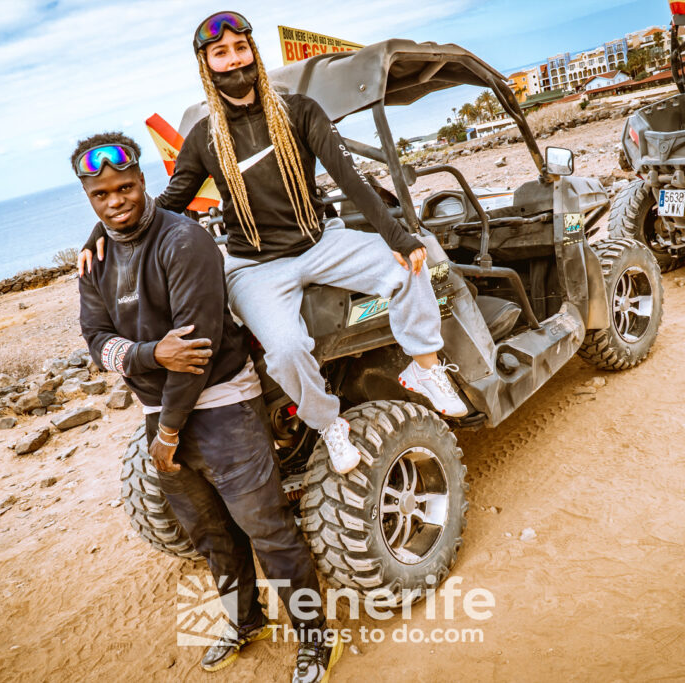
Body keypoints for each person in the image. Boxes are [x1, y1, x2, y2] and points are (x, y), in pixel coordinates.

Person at [80, 10, 468, 476]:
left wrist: (398, 236)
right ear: (208, 65)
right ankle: (329, 424)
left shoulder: (300, 111)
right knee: (285, 350)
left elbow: (351, 178)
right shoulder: (205, 138)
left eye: (240, 48)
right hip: (253, 266)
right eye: (220, 53)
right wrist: (102, 229)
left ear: (252, 52)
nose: (233, 59)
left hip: (322, 242)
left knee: (412, 265)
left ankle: (423, 365)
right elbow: (166, 203)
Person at [72, 132, 341, 682]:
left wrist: (167, 430)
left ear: (143, 180)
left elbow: (194, 354)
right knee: (211, 535)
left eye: (125, 187)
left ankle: (316, 640)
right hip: (159, 414)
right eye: (102, 194)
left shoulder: (183, 240)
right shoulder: (96, 258)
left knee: (267, 528)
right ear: (88, 194)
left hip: (222, 407)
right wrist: (151, 355)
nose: (116, 201)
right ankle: (246, 622)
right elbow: (96, 340)